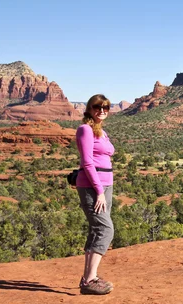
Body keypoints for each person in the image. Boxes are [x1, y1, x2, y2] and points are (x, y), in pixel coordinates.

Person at [76, 94, 115, 295]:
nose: (102, 111)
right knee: (105, 230)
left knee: (95, 230)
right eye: (97, 107)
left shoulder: (102, 131)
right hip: (93, 187)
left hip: (105, 186)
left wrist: (104, 189)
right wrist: (99, 191)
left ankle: (88, 278)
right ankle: (89, 280)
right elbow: (87, 162)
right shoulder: (85, 129)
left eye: (106, 108)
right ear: (89, 109)